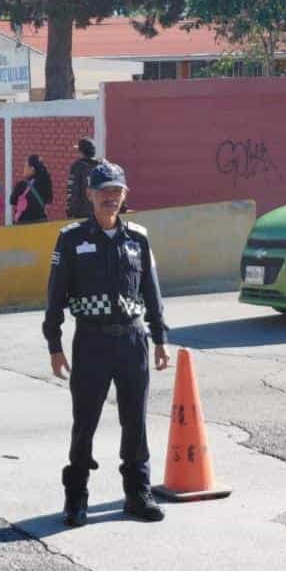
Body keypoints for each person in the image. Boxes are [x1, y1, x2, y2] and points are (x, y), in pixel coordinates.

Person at [42, 162, 170, 529]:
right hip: (92, 341)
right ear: (90, 195)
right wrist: (54, 344)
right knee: (84, 423)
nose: (110, 197)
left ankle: (137, 492)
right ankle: (76, 497)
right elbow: (55, 297)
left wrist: (160, 337)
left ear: (125, 195)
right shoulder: (71, 239)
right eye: (103, 191)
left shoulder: (139, 240)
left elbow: (152, 292)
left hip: (132, 341)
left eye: (117, 191)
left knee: (136, 422)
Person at [10, 154, 54, 224]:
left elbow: (12, 201)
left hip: (24, 225)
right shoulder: (46, 183)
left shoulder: (22, 185)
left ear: (32, 169)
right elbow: (49, 201)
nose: (24, 169)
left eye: (25, 166)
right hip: (42, 223)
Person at [66, 137, 101, 219]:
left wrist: (70, 211)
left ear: (81, 152)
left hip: (82, 214)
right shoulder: (103, 165)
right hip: (99, 212)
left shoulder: (77, 167)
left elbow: (73, 191)